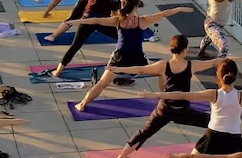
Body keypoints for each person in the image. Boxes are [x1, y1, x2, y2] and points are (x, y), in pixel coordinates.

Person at [87, 34, 230, 140]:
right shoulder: (191, 65)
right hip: (180, 107)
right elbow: (213, 63)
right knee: (211, 121)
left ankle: (123, 155)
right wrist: (230, 61)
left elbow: (141, 69)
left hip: (166, 105)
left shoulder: (163, 65)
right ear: (185, 50)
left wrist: (120, 69)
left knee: (145, 132)